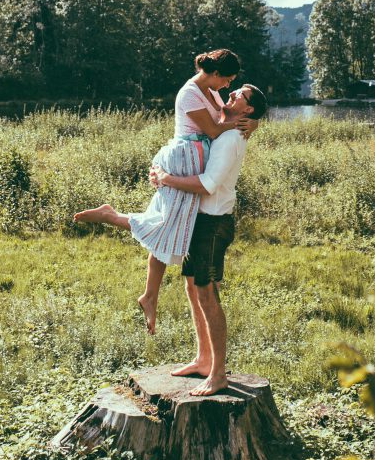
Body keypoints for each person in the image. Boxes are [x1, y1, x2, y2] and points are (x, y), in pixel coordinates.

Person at [73, 49, 254, 334]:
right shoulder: (190, 93)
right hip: (185, 159)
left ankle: (149, 295)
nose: (227, 86)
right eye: (227, 79)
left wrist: (250, 122)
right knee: (166, 224)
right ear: (216, 73)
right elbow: (211, 129)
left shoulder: (213, 93)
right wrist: (246, 123)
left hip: (194, 159)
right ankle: (113, 220)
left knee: (169, 225)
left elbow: (223, 121)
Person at [150, 83, 268, 397]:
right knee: (192, 286)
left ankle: (217, 375)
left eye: (239, 95)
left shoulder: (230, 138)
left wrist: (167, 179)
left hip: (214, 225)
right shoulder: (227, 126)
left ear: (249, 110)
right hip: (201, 221)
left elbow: (209, 184)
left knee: (208, 294)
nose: (231, 94)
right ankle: (203, 359)